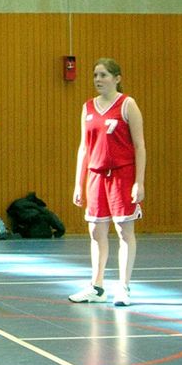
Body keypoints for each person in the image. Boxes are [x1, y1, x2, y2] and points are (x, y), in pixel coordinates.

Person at [68, 58, 145, 307]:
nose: (98, 80)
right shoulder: (88, 107)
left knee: (124, 231)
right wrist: (78, 183)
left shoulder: (127, 104)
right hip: (96, 175)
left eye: (103, 75)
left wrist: (139, 182)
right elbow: (84, 148)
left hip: (122, 175)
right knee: (95, 231)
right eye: (95, 75)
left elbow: (139, 146)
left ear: (117, 78)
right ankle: (97, 287)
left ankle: (124, 287)